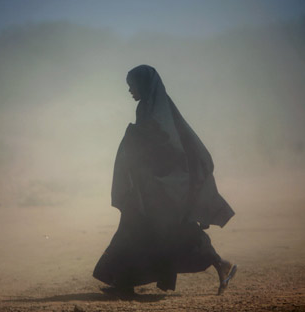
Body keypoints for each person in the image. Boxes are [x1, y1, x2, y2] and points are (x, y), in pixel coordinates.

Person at [93, 65, 237, 297]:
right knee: (137, 230)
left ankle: (220, 264)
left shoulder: (158, 112)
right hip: (152, 187)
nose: (130, 91)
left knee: (171, 233)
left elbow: (166, 144)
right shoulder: (148, 108)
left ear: (145, 85)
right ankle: (124, 283)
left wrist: (134, 136)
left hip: (167, 187)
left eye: (132, 85)